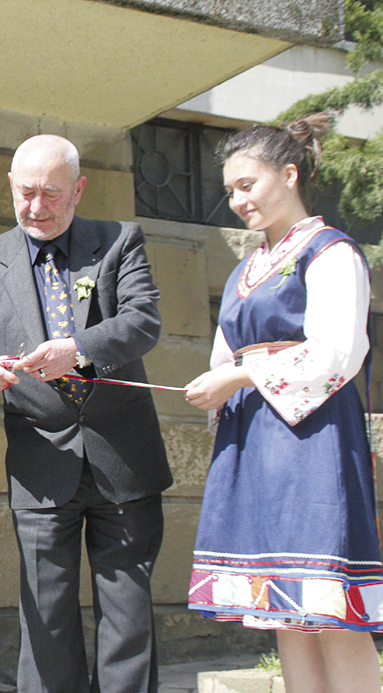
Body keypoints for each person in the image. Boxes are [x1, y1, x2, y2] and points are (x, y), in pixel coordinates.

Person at [0, 134, 172, 693]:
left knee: (128, 619)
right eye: (25, 193)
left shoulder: (119, 242)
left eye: (51, 193)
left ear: (78, 190)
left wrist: (80, 348)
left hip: (124, 463)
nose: (37, 207)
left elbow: (144, 320)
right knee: (44, 620)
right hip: (40, 466)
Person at [184, 115, 383, 693]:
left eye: (247, 185)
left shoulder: (331, 252)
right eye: (230, 192)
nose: (238, 201)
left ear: (290, 174)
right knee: (285, 613)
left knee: (334, 611)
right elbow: (227, 354)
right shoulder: (248, 267)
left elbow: (337, 353)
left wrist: (240, 376)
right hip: (256, 444)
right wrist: (218, 381)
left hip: (313, 442)